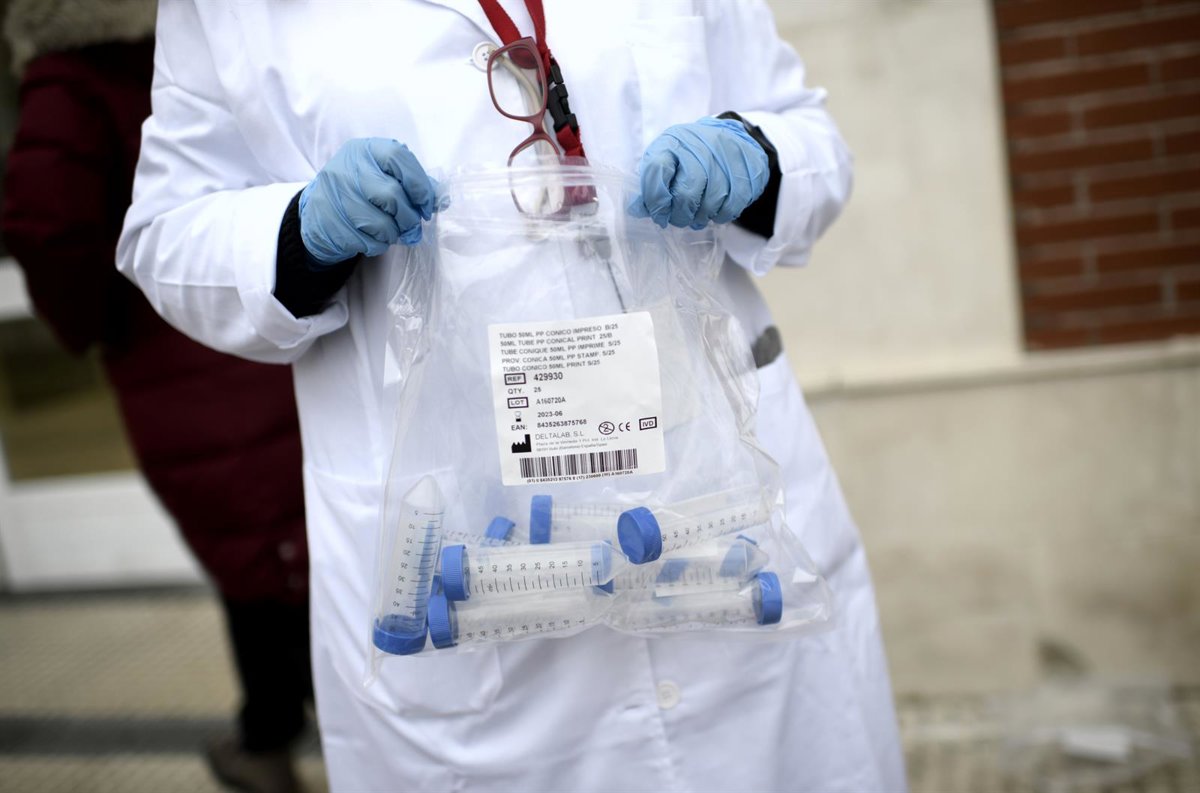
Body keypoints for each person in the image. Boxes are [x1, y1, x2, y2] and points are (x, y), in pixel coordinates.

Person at [117, 1, 906, 791]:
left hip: (723, 523)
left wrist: (756, 158)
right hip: (465, 569)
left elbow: (811, 137)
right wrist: (300, 231)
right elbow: (165, 230)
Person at [1, 2, 313, 791]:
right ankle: (279, 735)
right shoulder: (228, 34)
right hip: (276, 336)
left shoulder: (69, 80)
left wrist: (92, 322)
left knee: (268, 566)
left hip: (184, 353)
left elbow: (48, 227)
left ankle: (282, 743)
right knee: (284, 557)